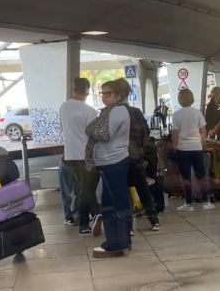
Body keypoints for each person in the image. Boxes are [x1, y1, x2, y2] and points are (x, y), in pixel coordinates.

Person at [86, 79, 131, 258]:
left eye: (108, 93)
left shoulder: (118, 111)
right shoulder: (112, 111)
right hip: (110, 162)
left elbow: (104, 133)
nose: (104, 97)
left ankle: (117, 243)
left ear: (118, 96)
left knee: (114, 205)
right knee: (112, 204)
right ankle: (119, 241)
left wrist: (89, 128)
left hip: (115, 162)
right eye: (102, 93)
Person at [116, 79, 161, 231]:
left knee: (122, 191)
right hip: (135, 156)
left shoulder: (110, 113)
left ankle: (128, 227)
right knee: (143, 190)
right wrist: (138, 145)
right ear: (128, 94)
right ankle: (154, 221)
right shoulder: (135, 112)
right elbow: (145, 133)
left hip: (117, 158)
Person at [60, 77, 101, 236]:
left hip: (69, 156)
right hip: (86, 156)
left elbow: (62, 129)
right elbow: (94, 136)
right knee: (86, 191)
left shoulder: (64, 107)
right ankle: (92, 217)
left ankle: (88, 221)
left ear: (73, 90)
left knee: (84, 190)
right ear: (87, 92)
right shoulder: (89, 111)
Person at [172, 89, 214, 212]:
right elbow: (203, 131)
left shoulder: (176, 115)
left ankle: (188, 204)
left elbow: (175, 134)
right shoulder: (197, 113)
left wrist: (175, 146)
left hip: (182, 148)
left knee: (185, 177)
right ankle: (206, 202)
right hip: (196, 148)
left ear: (180, 100)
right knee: (201, 176)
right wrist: (202, 144)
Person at [58, 157, 78, 225]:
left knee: (67, 192)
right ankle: (71, 215)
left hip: (71, 162)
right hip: (69, 163)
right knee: (68, 192)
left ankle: (72, 215)